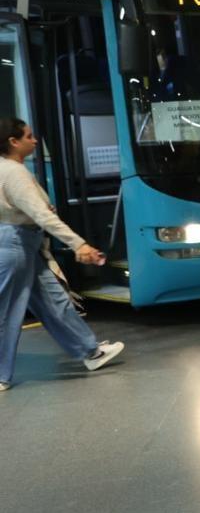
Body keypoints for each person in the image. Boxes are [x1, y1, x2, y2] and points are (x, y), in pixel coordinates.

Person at [0, 117, 123, 391]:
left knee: (55, 302)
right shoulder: (14, 173)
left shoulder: (5, 169)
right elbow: (42, 215)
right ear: (13, 141)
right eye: (29, 136)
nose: (34, 140)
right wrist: (79, 244)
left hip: (22, 244)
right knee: (6, 313)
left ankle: (90, 352)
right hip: (16, 245)